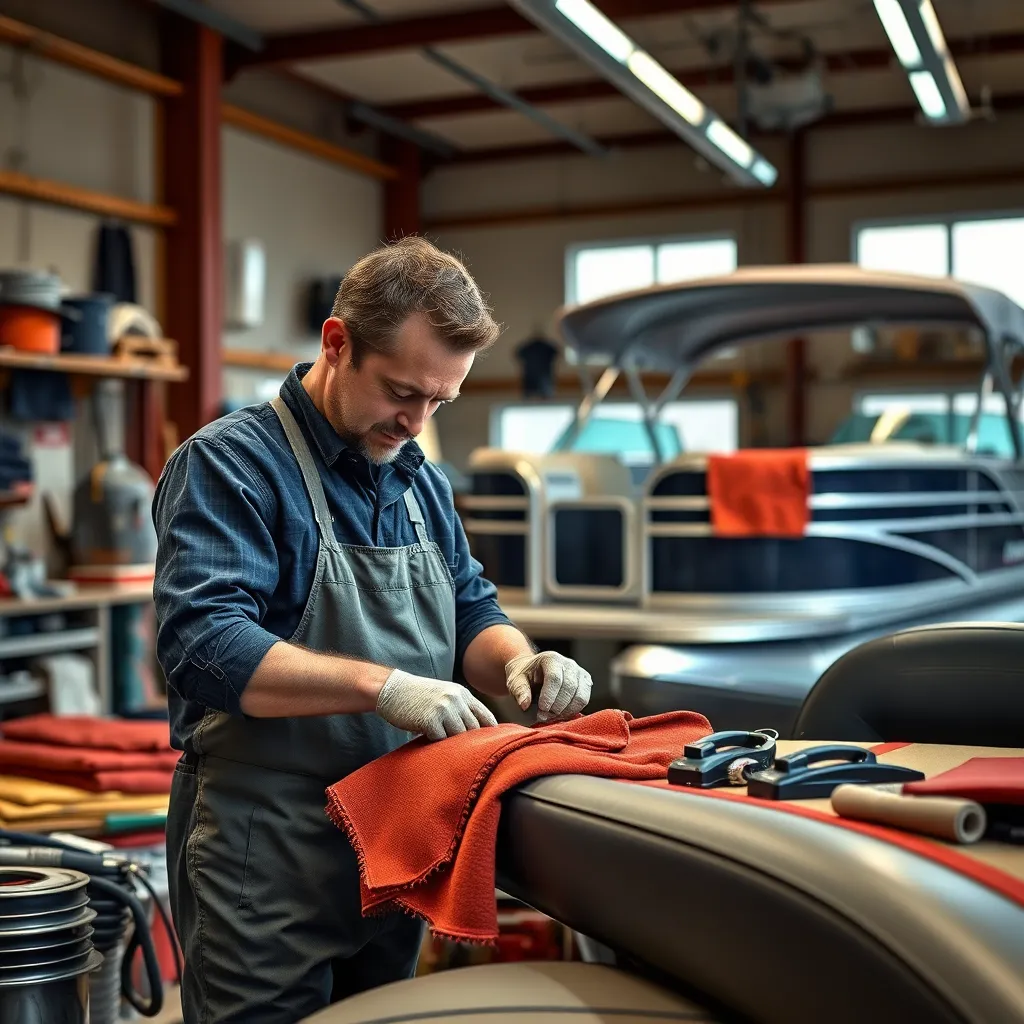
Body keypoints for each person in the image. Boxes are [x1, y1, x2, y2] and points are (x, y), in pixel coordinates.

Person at [153, 236, 593, 1024]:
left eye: (438, 403)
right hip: (268, 846)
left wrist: (522, 662)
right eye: (400, 391)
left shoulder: (416, 478)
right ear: (336, 342)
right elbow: (205, 647)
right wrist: (382, 688)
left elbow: (469, 609)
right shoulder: (231, 465)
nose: (416, 422)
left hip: (392, 841)